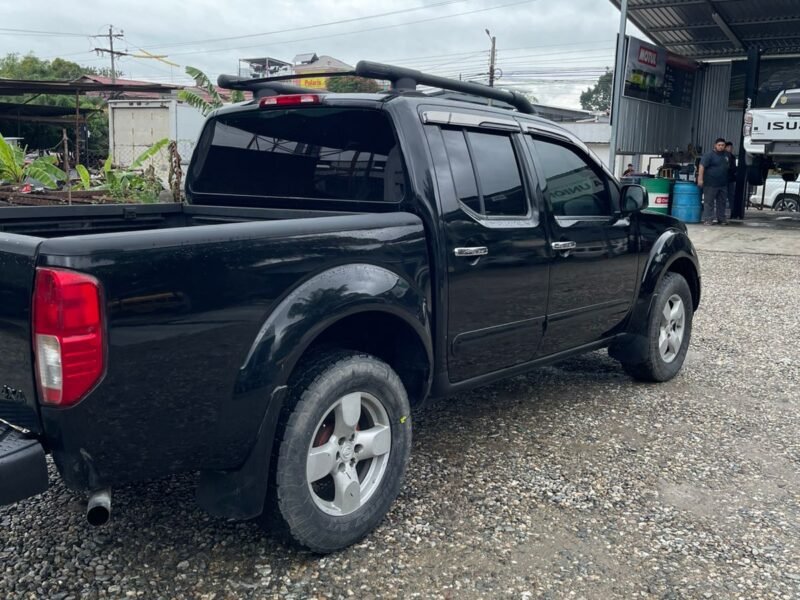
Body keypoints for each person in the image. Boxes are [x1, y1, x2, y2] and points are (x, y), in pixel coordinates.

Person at [698, 138, 731, 225]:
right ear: (715, 145)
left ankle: (721, 219)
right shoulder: (709, 155)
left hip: (722, 184)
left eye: (722, 145)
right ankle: (708, 219)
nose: (721, 147)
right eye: (719, 145)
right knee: (709, 202)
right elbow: (701, 166)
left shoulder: (726, 155)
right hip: (710, 183)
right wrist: (700, 179)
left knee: (722, 202)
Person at [725, 141, 737, 218]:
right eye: (729, 147)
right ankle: (731, 212)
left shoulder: (732, 156)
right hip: (726, 179)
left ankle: (732, 212)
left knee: (730, 196)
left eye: (731, 147)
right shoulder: (725, 156)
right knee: (728, 196)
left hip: (730, 179)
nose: (731, 149)